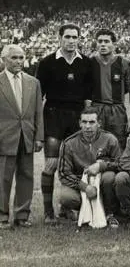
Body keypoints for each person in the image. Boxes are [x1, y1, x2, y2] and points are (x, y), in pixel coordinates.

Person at [36, 24, 92, 224]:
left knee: (76, 166)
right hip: (53, 116)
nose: (71, 40)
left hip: (76, 118)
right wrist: (39, 131)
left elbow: (88, 98)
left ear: (79, 39)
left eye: (75, 37)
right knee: (51, 164)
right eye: (67, 36)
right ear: (59, 37)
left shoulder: (86, 63)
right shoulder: (47, 63)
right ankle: (48, 211)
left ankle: (66, 208)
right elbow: (38, 98)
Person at [0, 45, 43, 228]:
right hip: (4, 137)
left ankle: (22, 215)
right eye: (14, 58)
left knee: (26, 175)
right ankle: (2, 216)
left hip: (26, 135)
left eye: (21, 57)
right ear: (3, 60)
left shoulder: (33, 82)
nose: (18, 61)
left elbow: (37, 112)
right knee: (3, 177)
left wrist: (39, 136)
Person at [58, 107, 121, 228]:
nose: (88, 126)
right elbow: (63, 173)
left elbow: (121, 163)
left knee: (110, 177)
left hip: (103, 185)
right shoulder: (69, 143)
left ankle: (110, 213)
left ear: (99, 123)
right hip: (80, 186)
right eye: (84, 122)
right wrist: (85, 187)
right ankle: (80, 210)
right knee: (65, 196)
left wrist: (102, 165)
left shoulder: (110, 139)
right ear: (79, 123)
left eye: (92, 122)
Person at [89, 29, 130, 149]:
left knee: (118, 145)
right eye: (100, 41)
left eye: (106, 41)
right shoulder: (90, 63)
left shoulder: (125, 64)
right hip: (96, 108)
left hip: (117, 110)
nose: (103, 44)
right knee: (95, 146)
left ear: (114, 44)